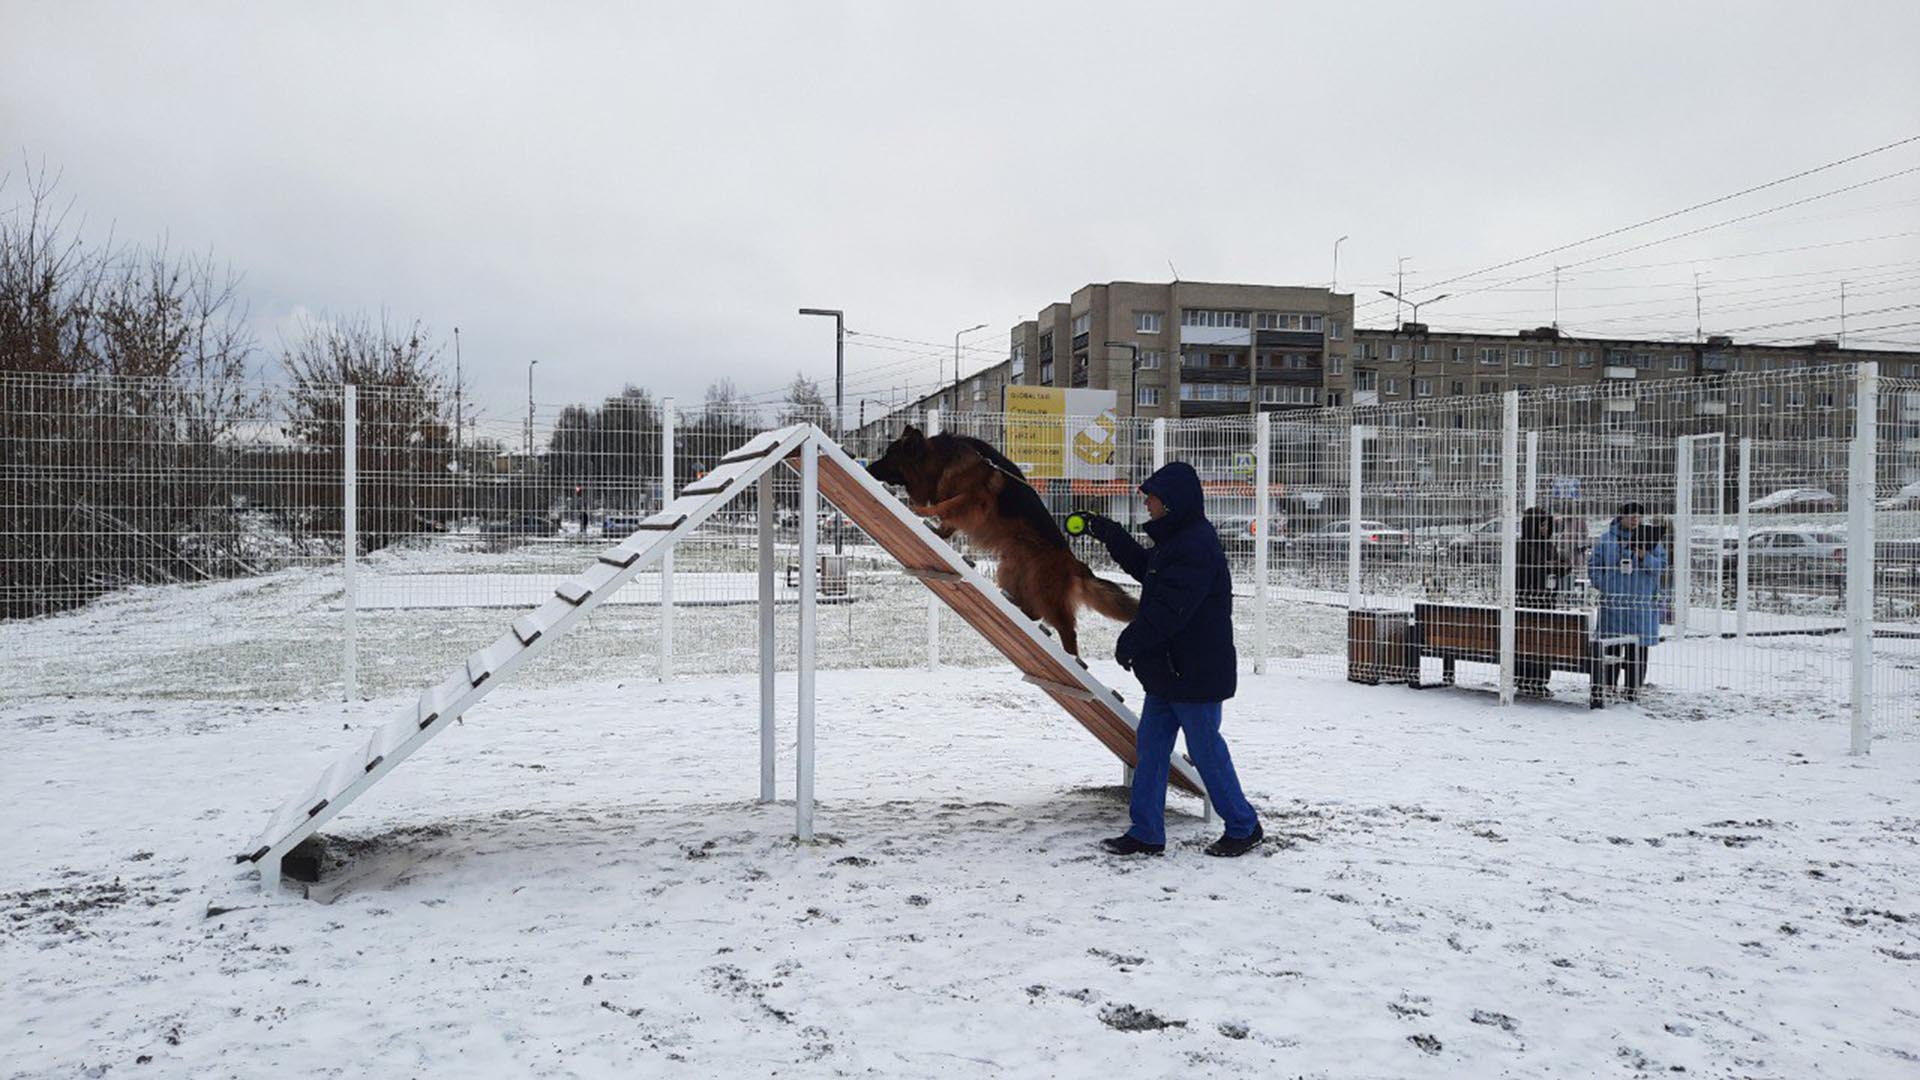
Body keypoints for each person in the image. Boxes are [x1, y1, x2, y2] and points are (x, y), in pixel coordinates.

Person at [1075, 462, 1263, 858]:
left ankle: (1244, 826)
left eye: (1153, 498)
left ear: (1173, 502)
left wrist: (1132, 640)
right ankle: (1146, 832)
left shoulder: (1196, 545)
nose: (1148, 504)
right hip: (1169, 670)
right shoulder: (1178, 540)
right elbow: (1152, 572)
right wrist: (1110, 534)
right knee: (1151, 748)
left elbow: (1171, 609)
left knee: (1206, 751)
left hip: (1196, 672)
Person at [1586, 501, 1667, 701]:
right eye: (1630, 515)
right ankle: (1609, 686)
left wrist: (1644, 557)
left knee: (1637, 649)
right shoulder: (1607, 540)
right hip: (1614, 602)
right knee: (1611, 647)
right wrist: (1605, 584)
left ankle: (1633, 689)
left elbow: (1661, 566)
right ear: (1621, 516)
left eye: (1638, 516)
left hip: (1640, 602)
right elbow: (1594, 566)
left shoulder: (1651, 540)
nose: (1634, 519)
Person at [1514, 507, 1568, 697]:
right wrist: (1547, 567)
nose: (1545, 529)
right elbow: (1526, 572)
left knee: (1542, 642)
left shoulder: (1548, 545)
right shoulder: (1522, 547)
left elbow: (1564, 565)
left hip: (1546, 600)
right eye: (1542, 525)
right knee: (1528, 641)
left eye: (1547, 525)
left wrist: (1552, 567)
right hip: (1527, 602)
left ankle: (1539, 680)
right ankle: (1526, 679)